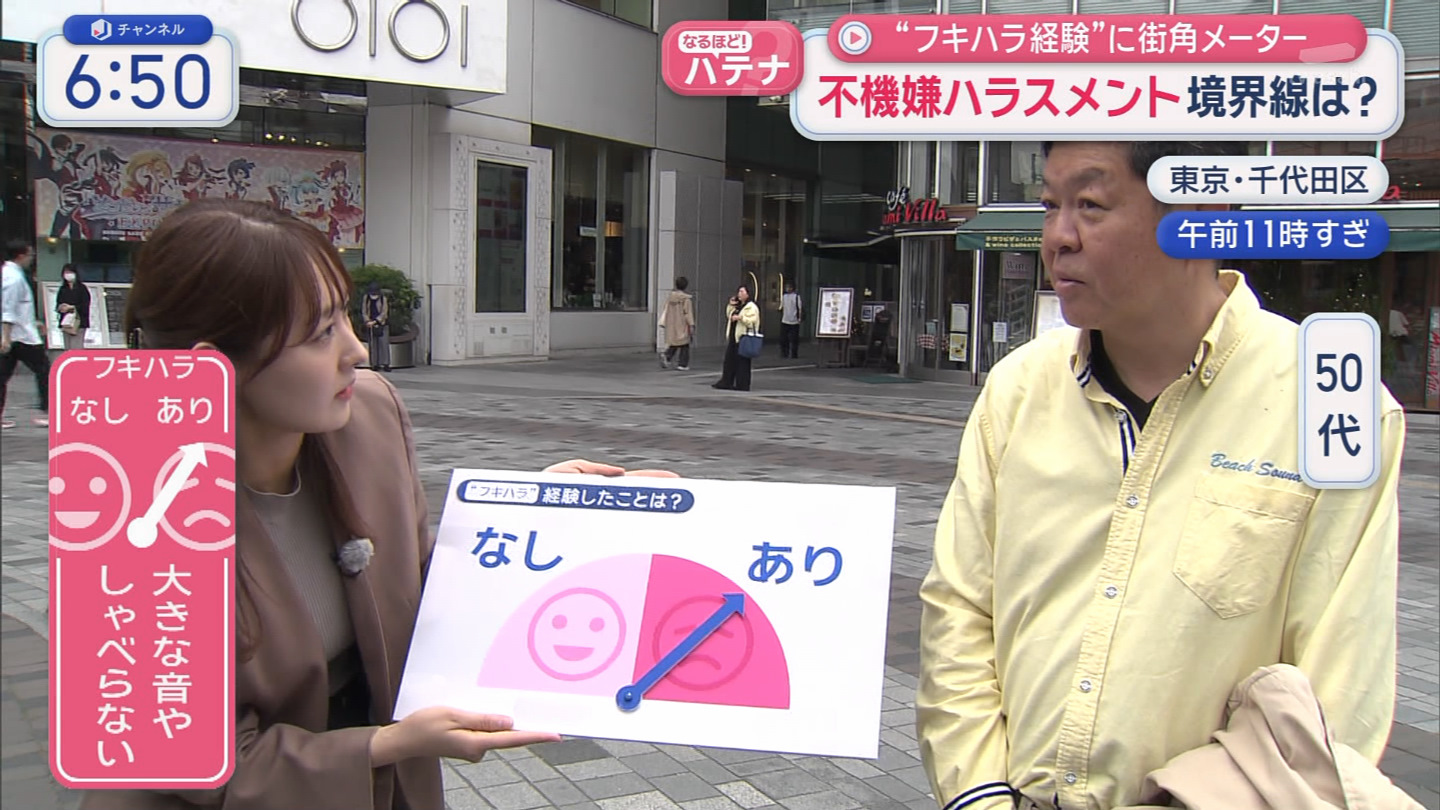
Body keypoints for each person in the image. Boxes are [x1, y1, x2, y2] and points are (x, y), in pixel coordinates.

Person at [80, 198, 674, 810]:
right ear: (213, 367)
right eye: (320, 334)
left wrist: (531, 514)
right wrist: (385, 745)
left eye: (345, 316)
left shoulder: (366, 414)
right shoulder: (129, 510)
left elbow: (420, 590)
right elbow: (194, 765)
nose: (357, 350)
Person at [916, 142, 1406, 810]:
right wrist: (979, 796)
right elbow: (961, 608)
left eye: (1091, 204)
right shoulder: (1018, 388)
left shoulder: (1333, 401)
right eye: (1051, 205)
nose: (1058, 237)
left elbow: (1335, 702)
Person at [1, 239, 50, 429]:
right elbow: (8, 308)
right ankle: (46, 411)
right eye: (30, 255)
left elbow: (17, 307)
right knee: (44, 370)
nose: (32, 259)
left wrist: (33, 322)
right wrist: (6, 336)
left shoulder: (9, 274)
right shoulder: (13, 278)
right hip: (21, 337)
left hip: (17, 332)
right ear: (21, 256)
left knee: (2, 375)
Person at [713, 283, 760, 391]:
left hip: (743, 337)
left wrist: (740, 318)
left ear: (748, 294)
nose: (739, 294)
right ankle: (726, 381)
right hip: (734, 336)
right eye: (739, 291)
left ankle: (742, 384)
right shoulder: (738, 306)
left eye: (742, 291)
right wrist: (731, 305)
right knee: (730, 360)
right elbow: (729, 315)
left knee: (742, 362)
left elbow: (752, 321)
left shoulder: (751, 307)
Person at [661, 276, 696, 371]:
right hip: (682, 323)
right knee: (685, 343)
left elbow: (666, 310)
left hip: (672, 323)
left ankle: (667, 356)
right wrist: (691, 324)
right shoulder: (686, 299)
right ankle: (682, 364)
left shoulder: (670, 298)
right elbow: (688, 313)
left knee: (675, 342)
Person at [55, 263, 91, 351]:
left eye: (70, 272)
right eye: (66, 272)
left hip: (78, 322)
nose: (68, 275)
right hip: (66, 323)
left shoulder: (82, 288)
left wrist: (72, 307)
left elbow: (85, 305)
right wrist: (61, 308)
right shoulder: (63, 289)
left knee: (76, 348)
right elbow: (58, 304)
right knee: (67, 348)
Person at [362, 281, 391, 372]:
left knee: (383, 344)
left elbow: (384, 312)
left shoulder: (383, 299)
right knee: (373, 345)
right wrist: (367, 321)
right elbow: (364, 311)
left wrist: (376, 321)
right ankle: (374, 364)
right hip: (370, 323)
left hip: (381, 324)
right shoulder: (366, 298)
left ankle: (385, 364)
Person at [779, 281, 803, 359]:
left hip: (794, 320)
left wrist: (799, 318)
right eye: (787, 287)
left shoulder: (796, 296)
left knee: (794, 339)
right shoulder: (784, 296)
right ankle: (785, 353)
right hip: (785, 319)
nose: (787, 289)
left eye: (789, 287)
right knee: (784, 338)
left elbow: (800, 308)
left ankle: (794, 353)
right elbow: (781, 306)